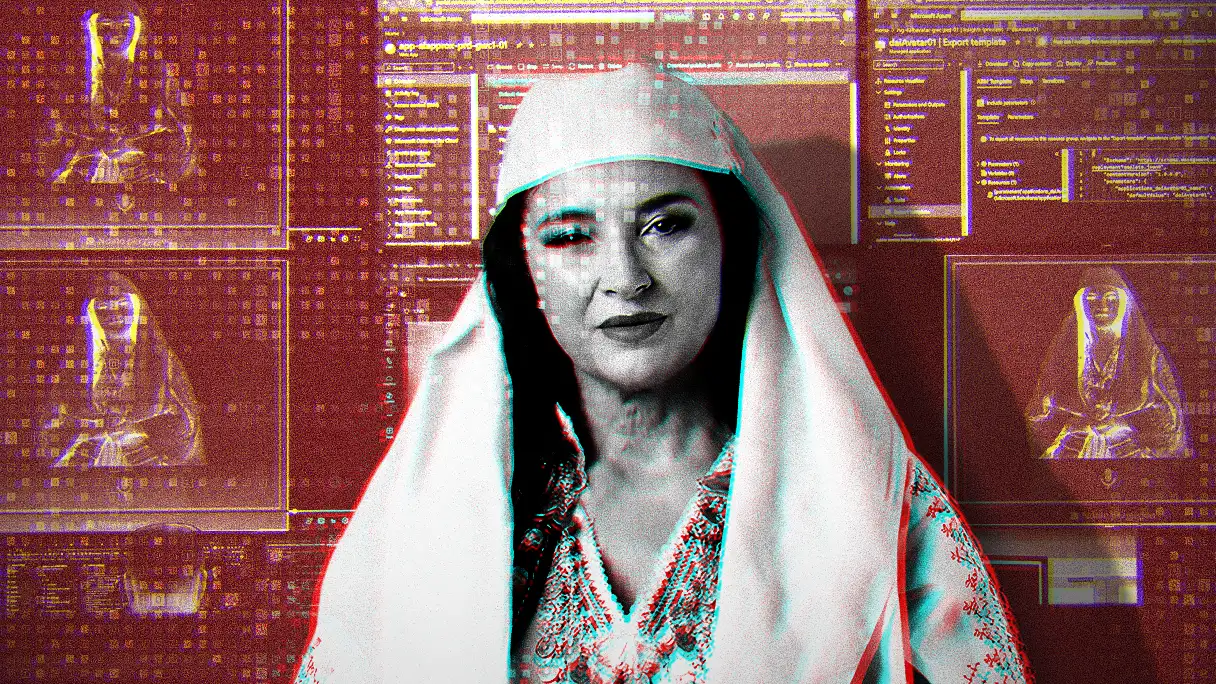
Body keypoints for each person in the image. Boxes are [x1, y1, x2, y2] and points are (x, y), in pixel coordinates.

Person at [296, 64, 1030, 683]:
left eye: (664, 225)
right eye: (571, 236)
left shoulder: (862, 491)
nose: (624, 277)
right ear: (525, 271)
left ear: (731, 243)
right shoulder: (442, 505)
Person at [38, 271, 204, 468]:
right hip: (87, 460)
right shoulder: (76, 367)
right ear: (92, 313)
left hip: (148, 462)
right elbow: (55, 421)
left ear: (136, 308)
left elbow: (186, 424)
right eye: (103, 307)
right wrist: (92, 428)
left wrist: (136, 429)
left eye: (122, 305)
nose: (113, 314)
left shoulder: (162, 363)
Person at [1026, 266, 1189, 460]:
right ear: (1082, 303)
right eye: (1092, 299)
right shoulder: (1063, 354)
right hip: (1070, 452)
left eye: (1111, 299)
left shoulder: (1148, 356)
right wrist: (1077, 422)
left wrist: (1123, 424)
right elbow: (1039, 413)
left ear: (1123, 303)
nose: (1102, 305)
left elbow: (1171, 422)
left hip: (1131, 455)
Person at [42, 1, 195, 185]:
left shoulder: (159, 75)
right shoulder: (70, 76)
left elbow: (183, 133)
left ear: (137, 28)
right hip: (85, 171)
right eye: (105, 25)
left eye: (125, 25)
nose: (115, 33)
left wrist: (137, 147)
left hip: (141, 173)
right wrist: (92, 147)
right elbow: (51, 134)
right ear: (91, 28)